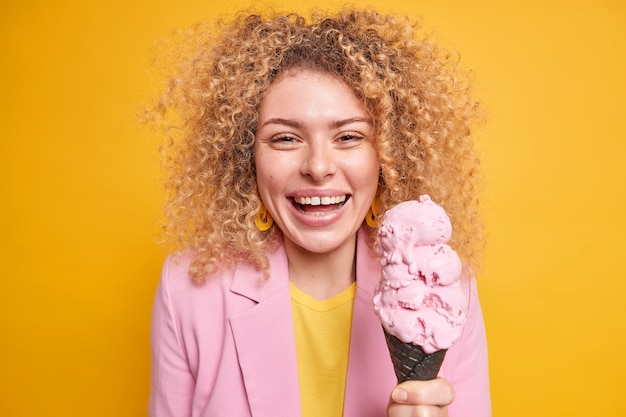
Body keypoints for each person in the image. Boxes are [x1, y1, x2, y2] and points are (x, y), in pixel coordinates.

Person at [148, 6, 490, 417]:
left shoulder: (445, 294)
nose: (318, 166)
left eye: (348, 136)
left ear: (387, 154)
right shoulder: (187, 291)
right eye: (285, 138)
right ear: (246, 157)